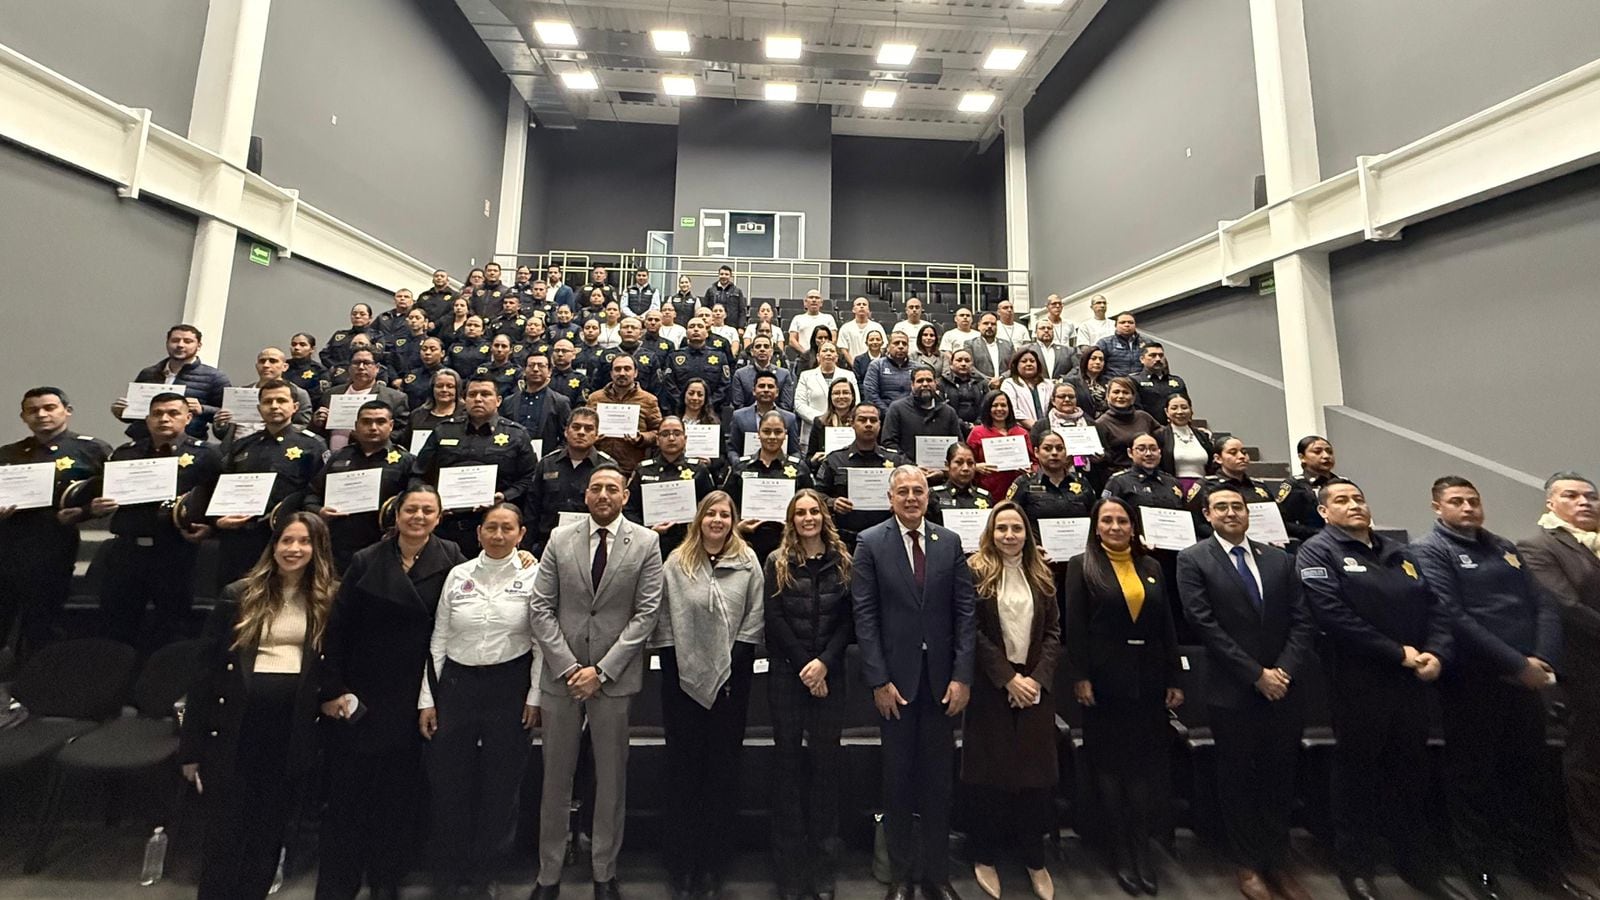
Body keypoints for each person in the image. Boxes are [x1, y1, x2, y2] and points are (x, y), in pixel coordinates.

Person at [1412, 476, 1587, 900]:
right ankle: (1480, 869)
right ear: (1437, 508)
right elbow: (1452, 615)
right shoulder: (1429, 550)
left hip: (1525, 679)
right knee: (1474, 780)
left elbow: (1543, 603)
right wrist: (1516, 663)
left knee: (1529, 776)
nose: (1468, 508)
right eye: (1457, 501)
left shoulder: (1504, 547)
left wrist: (1542, 659)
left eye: (1473, 500)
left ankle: (1538, 866)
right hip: (1473, 680)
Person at [1296, 479, 1465, 900]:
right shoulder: (1318, 551)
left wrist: (1437, 652)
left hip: (1412, 679)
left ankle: (1415, 863)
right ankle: (1355, 867)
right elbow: (1331, 614)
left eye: (1358, 498)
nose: (1354, 505)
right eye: (1341, 500)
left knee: (1411, 772)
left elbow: (1437, 608)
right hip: (1357, 679)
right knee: (1356, 775)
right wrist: (1396, 652)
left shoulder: (1400, 553)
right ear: (1323, 512)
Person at [315, 485, 467, 900]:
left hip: (415, 695)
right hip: (363, 693)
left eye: (428, 511)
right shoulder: (366, 559)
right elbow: (338, 629)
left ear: (439, 517)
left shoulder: (453, 559)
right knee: (349, 796)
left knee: (398, 798)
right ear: (396, 515)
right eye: (411, 509)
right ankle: (339, 884)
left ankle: (387, 879)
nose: (418, 517)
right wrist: (333, 687)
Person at [180, 513, 337, 900]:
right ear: (274, 545)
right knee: (224, 833)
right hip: (236, 725)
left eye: (304, 542)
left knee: (269, 833)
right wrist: (191, 749)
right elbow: (204, 674)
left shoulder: (329, 599)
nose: (294, 549)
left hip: (290, 731)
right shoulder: (238, 595)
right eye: (286, 540)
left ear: (318, 549)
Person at [528, 466, 664, 900]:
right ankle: (548, 874)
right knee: (555, 780)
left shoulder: (646, 542)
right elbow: (540, 608)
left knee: (611, 780)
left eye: (612, 488)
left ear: (625, 496)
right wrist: (570, 668)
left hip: (613, 679)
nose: (604, 494)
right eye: (596, 488)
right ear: (585, 495)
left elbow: (646, 614)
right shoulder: (559, 538)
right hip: (563, 678)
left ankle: (604, 871)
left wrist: (602, 671)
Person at [1176, 487, 1318, 900]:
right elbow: (1202, 622)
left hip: (1284, 687)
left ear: (1248, 513)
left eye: (1237, 507)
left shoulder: (1279, 559)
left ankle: (1277, 861)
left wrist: (1283, 671)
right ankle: (1247, 862)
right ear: (1207, 514)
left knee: (1280, 776)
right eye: (1221, 507)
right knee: (1237, 778)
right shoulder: (1194, 559)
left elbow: (1302, 620)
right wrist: (1256, 674)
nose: (1230, 513)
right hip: (1232, 688)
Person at [852, 466, 976, 900]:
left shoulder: (950, 542)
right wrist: (878, 680)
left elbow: (965, 613)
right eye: (902, 491)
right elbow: (865, 616)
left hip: (942, 684)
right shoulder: (870, 542)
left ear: (928, 496)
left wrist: (962, 676)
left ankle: (937, 876)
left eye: (918, 491)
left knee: (939, 783)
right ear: (890, 498)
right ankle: (901, 877)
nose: (910, 498)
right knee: (898, 782)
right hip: (895, 686)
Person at [414, 502, 539, 897]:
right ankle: (449, 871)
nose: (498, 535)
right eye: (491, 527)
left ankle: (487, 872)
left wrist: (535, 696)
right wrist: (427, 699)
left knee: (502, 785)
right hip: (457, 684)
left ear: (521, 534)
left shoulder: (535, 576)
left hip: (510, 685)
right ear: (479, 532)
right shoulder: (459, 574)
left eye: (507, 528)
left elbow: (541, 641)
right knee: (449, 781)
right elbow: (439, 638)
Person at [1064, 497, 1183, 896]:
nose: (1115, 527)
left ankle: (1141, 848)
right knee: (1109, 767)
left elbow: (1166, 626)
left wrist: (1173, 676)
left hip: (1148, 680)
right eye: (1107, 521)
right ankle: (1119, 849)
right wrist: (1081, 676)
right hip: (1104, 681)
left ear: (1133, 527)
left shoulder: (1151, 567)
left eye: (1122, 521)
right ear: (1096, 526)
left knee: (1143, 767)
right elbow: (1076, 627)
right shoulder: (1082, 566)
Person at [649, 491, 765, 899]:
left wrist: (731, 662)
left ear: (734, 521)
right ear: (698, 519)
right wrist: (679, 666)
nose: (717, 520)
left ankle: (715, 864)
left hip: (732, 683)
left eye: (725, 514)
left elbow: (754, 617)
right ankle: (682, 863)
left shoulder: (748, 561)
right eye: (710, 513)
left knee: (722, 773)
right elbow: (664, 619)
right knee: (683, 772)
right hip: (681, 681)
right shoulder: (676, 563)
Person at [962, 501, 1061, 900]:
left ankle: (1035, 860)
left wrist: (1034, 680)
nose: (1009, 535)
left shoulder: (1042, 574)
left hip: (1034, 687)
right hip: (992, 687)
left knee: (1034, 777)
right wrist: (1007, 679)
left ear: (1026, 534)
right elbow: (972, 631)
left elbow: (1053, 632)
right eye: (1001, 528)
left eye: (1016, 528)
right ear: (991, 532)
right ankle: (984, 856)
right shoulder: (975, 573)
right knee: (989, 776)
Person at [764, 489, 853, 900]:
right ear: (791, 520)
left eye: (814, 511)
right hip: (788, 673)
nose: (808, 518)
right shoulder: (777, 561)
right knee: (786, 769)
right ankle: (789, 868)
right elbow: (774, 617)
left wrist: (824, 664)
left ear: (824, 516)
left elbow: (849, 621)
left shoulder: (844, 560)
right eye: (800, 513)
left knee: (825, 768)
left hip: (830, 675)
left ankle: (823, 866)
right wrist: (806, 665)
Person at [1520, 473, 1600, 879]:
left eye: (1591, 496)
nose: (1584, 502)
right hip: (1582, 670)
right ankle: (1591, 855)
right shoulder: (1537, 546)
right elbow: (1566, 607)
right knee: (1588, 764)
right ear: (1550, 504)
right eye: (1571, 495)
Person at [92, 393, 219, 649]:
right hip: (127, 551)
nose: (164, 419)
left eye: (173, 413)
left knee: (172, 626)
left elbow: (217, 499)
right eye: (157, 413)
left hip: (175, 551)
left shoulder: (207, 455)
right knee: (117, 625)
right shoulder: (126, 453)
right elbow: (103, 496)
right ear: (148, 419)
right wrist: (96, 508)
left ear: (188, 417)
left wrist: (210, 528)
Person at [0, 388, 110, 662]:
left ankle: (37, 679)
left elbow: (109, 493)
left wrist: (83, 512)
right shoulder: (8, 453)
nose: (41, 414)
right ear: (23, 417)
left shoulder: (92, 449)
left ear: (67, 411)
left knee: (43, 620)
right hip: (7, 543)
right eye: (33, 410)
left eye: (49, 407)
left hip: (53, 544)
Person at [214, 381, 328, 585]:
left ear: (295, 407)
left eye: (281, 400)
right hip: (239, 537)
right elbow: (220, 488)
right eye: (268, 402)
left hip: (287, 538)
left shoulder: (313, 445)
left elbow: (318, 492)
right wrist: (218, 519)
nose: (274, 406)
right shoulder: (242, 445)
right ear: (259, 409)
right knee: (233, 595)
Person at [410, 375, 538, 556]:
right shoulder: (444, 430)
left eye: (485, 394)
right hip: (447, 528)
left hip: (495, 530)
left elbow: (530, 477)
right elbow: (419, 474)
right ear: (464, 399)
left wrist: (505, 496)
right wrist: (431, 502)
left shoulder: (516, 435)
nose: (478, 399)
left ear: (498, 400)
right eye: (472, 394)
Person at [304, 400, 412, 572]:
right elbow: (312, 494)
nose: (373, 427)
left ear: (391, 425)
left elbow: (413, 502)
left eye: (380, 422)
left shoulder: (406, 461)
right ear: (356, 426)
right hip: (338, 548)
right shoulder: (339, 457)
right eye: (366, 422)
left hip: (384, 548)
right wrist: (319, 511)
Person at [114, 323, 231, 440]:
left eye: (188, 341)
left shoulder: (214, 377)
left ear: (199, 345)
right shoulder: (148, 373)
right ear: (167, 343)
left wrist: (203, 409)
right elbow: (136, 414)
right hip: (143, 440)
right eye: (175, 340)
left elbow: (228, 415)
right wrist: (122, 412)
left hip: (187, 442)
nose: (180, 345)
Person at [727, 410, 815, 563]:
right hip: (747, 543)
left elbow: (812, 505)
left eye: (778, 432)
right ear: (758, 434)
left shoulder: (799, 468)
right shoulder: (742, 467)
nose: (772, 437)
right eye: (766, 431)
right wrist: (738, 527)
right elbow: (728, 504)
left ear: (785, 435)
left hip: (789, 545)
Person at [526, 407, 619, 553]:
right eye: (576, 427)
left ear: (596, 435)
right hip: (547, 543)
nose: (581, 432)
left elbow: (614, 510)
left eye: (588, 429)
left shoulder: (607, 467)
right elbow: (532, 508)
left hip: (592, 545)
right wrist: (527, 547)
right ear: (566, 431)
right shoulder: (547, 464)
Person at [624, 417, 717, 560]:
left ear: (685, 439)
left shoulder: (698, 470)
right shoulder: (643, 470)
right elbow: (629, 509)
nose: (671, 438)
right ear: (657, 439)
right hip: (650, 543)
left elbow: (711, 506)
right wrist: (647, 531)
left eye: (677, 433)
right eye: (665, 434)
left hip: (690, 544)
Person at [815, 403, 906, 546]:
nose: (868, 424)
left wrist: (899, 503)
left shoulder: (895, 461)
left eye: (873, 420)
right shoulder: (835, 459)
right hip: (846, 540)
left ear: (880, 424)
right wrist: (833, 502)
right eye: (862, 420)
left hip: (888, 539)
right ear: (851, 423)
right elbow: (817, 495)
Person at [1008, 429, 1094, 561]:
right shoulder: (1023, 483)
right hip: (1036, 559)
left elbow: (1094, 517)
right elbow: (1008, 519)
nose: (1054, 453)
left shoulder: (1081, 482)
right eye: (1047, 449)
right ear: (1036, 452)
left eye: (1059, 448)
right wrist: (1028, 548)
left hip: (1081, 559)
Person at [315, 347, 409, 452]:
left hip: (372, 456)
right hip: (332, 457)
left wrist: (370, 437)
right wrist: (316, 423)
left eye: (367, 363)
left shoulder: (394, 398)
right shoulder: (331, 394)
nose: (361, 367)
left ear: (377, 368)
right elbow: (317, 431)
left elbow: (402, 433)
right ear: (349, 367)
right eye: (356, 363)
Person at [213, 347, 313, 444]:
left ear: (285, 367)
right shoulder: (239, 393)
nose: (266, 365)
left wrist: (275, 426)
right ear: (256, 366)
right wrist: (220, 424)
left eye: (273, 361)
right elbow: (223, 434)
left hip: (275, 447)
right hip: (236, 448)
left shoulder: (299, 394)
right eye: (262, 361)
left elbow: (303, 427)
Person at [586, 354, 661, 477]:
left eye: (627, 369)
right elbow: (585, 426)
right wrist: (592, 436)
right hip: (597, 467)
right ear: (611, 373)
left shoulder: (649, 400)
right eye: (617, 369)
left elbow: (658, 432)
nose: (622, 373)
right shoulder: (595, 398)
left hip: (632, 469)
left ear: (635, 373)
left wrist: (641, 438)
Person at [882, 365, 963, 468]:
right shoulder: (897, 409)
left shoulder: (949, 412)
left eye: (929, 380)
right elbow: (889, 445)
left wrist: (944, 470)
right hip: (908, 472)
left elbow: (958, 445)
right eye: (920, 381)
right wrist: (912, 467)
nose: (925, 384)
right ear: (912, 385)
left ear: (936, 383)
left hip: (942, 472)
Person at [657, 316, 734, 417]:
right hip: (680, 411)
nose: (696, 329)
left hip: (712, 411)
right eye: (692, 326)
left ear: (707, 333)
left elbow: (724, 385)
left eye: (700, 326)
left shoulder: (719, 356)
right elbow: (669, 384)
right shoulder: (674, 356)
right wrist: (684, 402)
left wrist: (707, 403)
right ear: (686, 333)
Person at [967, 390, 1033, 502]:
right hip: (986, 492)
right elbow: (966, 462)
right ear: (988, 408)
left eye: (1003, 405)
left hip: (1019, 491)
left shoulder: (1021, 433)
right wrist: (976, 467)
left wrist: (1030, 469)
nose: (999, 409)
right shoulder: (977, 433)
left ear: (1009, 408)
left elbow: (1035, 462)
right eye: (994, 405)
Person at [1276, 435, 1339, 548]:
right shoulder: (1295, 485)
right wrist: (1319, 533)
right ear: (1302, 457)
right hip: (1312, 543)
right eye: (1317, 452)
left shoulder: (1343, 483)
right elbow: (1283, 523)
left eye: (1329, 452)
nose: (1326, 456)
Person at [504, 352, 573, 453]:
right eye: (531, 365)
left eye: (541, 366)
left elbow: (567, 437)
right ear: (524, 370)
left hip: (547, 458)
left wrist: (553, 457)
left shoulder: (560, 402)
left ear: (549, 371)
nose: (535, 369)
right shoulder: (509, 402)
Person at [728, 371, 800, 466]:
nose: (766, 390)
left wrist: (790, 467)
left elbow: (795, 451)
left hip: (780, 470)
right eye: (761, 386)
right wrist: (739, 465)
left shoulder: (790, 418)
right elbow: (732, 449)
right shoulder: (739, 417)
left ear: (777, 392)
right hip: (748, 469)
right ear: (754, 391)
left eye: (770, 386)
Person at [795, 342, 858, 445]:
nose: (828, 353)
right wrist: (823, 420)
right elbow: (799, 404)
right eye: (824, 351)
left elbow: (856, 401)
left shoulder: (849, 375)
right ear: (818, 357)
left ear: (837, 357)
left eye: (832, 351)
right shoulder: (806, 376)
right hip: (812, 431)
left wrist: (840, 419)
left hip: (844, 432)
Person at [1095, 377, 1159, 474]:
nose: (1121, 396)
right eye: (1116, 392)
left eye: (1125, 392)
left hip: (1149, 471)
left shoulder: (1144, 417)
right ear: (1107, 396)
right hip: (1118, 475)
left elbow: (1163, 438)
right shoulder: (1101, 424)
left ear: (1133, 398)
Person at [1157, 395, 1215, 493]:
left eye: (1184, 407)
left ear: (1191, 410)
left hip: (1203, 487)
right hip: (1173, 488)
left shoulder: (1203, 435)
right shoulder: (1160, 435)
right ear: (1167, 412)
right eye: (1174, 408)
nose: (1180, 412)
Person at [731, 334, 797, 412]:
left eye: (766, 346)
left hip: (778, 418)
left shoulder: (784, 374)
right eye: (758, 346)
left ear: (771, 352)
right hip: (747, 418)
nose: (762, 349)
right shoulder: (740, 375)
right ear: (752, 352)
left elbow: (786, 405)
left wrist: (771, 417)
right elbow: (738, 405)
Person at [930, 443, 992, 521]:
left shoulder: (984, 497)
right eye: (959, 462)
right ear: (947, 465)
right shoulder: (934, 496)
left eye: (970, 463)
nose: (965, 468)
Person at [1131, 343, 1188, 426]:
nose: (1158, 359)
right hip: (1147, 428)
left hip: (1175, 427)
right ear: (1142, 359)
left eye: (1161, 355)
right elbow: (1136, 410)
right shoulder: (1134, 381)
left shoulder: (1177, 381)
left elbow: (1186, 407)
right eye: (1152, 355)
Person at [806, 378, 859, 466]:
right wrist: (813, 460)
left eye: (845, 392)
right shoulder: (819, 422)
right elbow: (809, 458)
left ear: (853, 396)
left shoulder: (860, 421)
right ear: (830, 397)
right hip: (827, 468)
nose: (841, 396)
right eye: (836, 393)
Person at [1001, 349, 1054, 430]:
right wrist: (1036, 427)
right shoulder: (1009, 384)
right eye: (1024, 361)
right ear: (1016, 365)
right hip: (1022, 429)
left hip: (1050, 429)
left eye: (1032, 361)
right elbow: (1012, 410)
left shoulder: (1048, 384)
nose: (1029, 364)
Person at [864, 331, 915, 414]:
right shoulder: (877, 366)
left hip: (911, 414)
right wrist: (890, 414)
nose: (901, 346)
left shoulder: (917, 368)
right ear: (888, 347)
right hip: (884, 415)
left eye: (904, 344)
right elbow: (871, 394)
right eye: (896, 343)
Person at [409, 367, 466, 434]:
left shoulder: (466, 415)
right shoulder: (417, 415)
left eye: (450, 386)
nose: (444, 390)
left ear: (457, 389)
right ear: (432, 389)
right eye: (439, 386)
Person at [940, 349, 986, 432]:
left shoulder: (981, 382)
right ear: (951, 364)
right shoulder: (942, 383)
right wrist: (964, 425)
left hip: (979, 428)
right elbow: (941, 409)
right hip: (951, 428)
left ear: (972, 364)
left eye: (967, 361)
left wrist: (978, 424)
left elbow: (987, 405)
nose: (963, 364)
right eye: (959, 360)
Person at [966, 313, 1014, 388]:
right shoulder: (970, 344)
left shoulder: (1008, 345)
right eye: (986, 323)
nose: (989, 326)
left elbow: (1014, 366)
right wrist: (987, 380)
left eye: (993, 324)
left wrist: (1002, 378)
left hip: (1005, 386)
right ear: (979, 326)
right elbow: (970, 367)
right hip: (980, 386)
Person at [322, 304, 378, 369]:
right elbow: (324, 354)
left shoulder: (376, 336)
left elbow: (377, 355)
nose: (357, 316)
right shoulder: (339, 335)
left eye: (362, 314)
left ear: (370, 318)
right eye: (354, 314)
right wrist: (336, 367)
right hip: (338, 371)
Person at [1096, 313, 1147, 379]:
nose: (1127, 325)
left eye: (1130, 322)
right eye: (1122, 322)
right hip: (1113, 382)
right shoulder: (1105, 343)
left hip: (1141, 382)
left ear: (1135, 325)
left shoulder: (1147, 342)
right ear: (1115, 326)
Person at [287, 332, 331, 409]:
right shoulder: (283, 366)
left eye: (302, 345)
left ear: (312, 349)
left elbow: (322, 397)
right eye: (294, 344)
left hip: (308, 408)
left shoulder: (319, 370)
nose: (296, 348)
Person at [1066, 346, 1111, 420]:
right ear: (1085, 360)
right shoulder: (1072, 382)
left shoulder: (1108, 383)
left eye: (1101, 359)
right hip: (1080, 420)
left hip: (1104, 422)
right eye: (1093, 358)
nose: (1098, 362)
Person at [837, 297, 886, 363]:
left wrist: (874, 364)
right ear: (853, 309)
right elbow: (844, 349)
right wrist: (855, 365)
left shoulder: (877, 327)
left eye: (864, 304)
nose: (861, 306)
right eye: (858, 304)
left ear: (868, 309)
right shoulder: (845, 328)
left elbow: (882, 347)